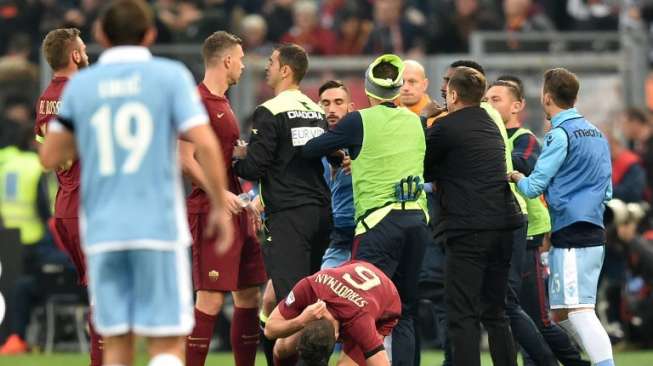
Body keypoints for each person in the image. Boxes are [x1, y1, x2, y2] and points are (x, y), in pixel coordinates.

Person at [38, 1, 232, 365]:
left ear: (99, 35)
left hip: (104, 228)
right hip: (158, 227)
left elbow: (50, 156)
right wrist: (221, 207)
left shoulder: (80, 88)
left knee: (117, 344)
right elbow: (204, 143)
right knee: (167, 343)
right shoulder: (171, 76)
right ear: (150, 34)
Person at [303, 54, 431, 366]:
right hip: (417, 219)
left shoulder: (358, 121)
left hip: (378, 223)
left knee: (360, 308)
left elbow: (310, 150)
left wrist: (341, 152)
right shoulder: (416, 122)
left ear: (369, 91)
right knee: (406, 311)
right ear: (398, 89)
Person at [233, 43, 332, 365]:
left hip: (289, 215)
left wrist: (232, 160)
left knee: (296, 307)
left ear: (286, 70)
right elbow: (326, 153)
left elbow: (255, 168)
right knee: (309, 300)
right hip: (320, 213)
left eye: (272, 62)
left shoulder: (270, 111)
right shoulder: (315, 110)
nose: (267, 66)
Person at [509, 68, 615, 366]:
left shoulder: (559, 134)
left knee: (579, 311)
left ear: (546, 97)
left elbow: (533, 187)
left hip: (571, 232)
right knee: (562, 311)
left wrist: (516, 176)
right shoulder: (597, 133)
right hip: (593, 228)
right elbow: (607, 191)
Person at [487, 76, 590, 366]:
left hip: (529, 232)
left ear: (517, 105)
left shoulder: (525, 139)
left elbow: (523, 164)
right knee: (512, 311)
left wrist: (481, 153)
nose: (489, 105)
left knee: (538, 316)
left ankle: (574, 363)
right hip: (502, 231)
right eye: (486, 100)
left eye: (496, 99)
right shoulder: (491, 137)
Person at [425, 66, 524, 366]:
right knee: (495, 312)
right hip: (505, 224)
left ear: (453, 94)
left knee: (462, 315)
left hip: (469, 229)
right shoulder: (491, 123)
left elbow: (424, 167)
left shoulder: (446, 127)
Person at [179, 31, 266, 366]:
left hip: (235, 208)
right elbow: (184, 158)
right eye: (241, 59)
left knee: (248, 296)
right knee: (211, 300)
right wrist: (220, 194)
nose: (244, 66)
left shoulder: (223, 103)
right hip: (210, 210)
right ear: (227, 59)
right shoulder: (196, 102)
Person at [23, 27, 104, 364]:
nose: (86, 53)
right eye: (83, 48)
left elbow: (53, 154)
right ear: (74, 55)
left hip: (67, 206)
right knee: (107, 297)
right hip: (91, 204)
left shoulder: (46, 97)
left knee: (101, 295)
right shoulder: (83, 92)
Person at [264, 260, 401, 366]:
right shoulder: (309, 286)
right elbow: (269, 330)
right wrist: (300, 320)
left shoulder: (361, 324)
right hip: (351, 279)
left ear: (337, 337)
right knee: (282, 347)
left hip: (386, 304)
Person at [317, 80, 355, 269]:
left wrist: (362, 164)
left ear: (350, 106)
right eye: (326, 103)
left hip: (356, 231)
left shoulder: (365, 140)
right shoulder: (310, 144)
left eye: (338, 102)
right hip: (320, 231)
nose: (331, 109)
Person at [397, 59, 436, 127]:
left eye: (412, 82)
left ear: (424, 85)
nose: (405, 88)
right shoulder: (386, 116)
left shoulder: (438, 120)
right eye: (400, 82)